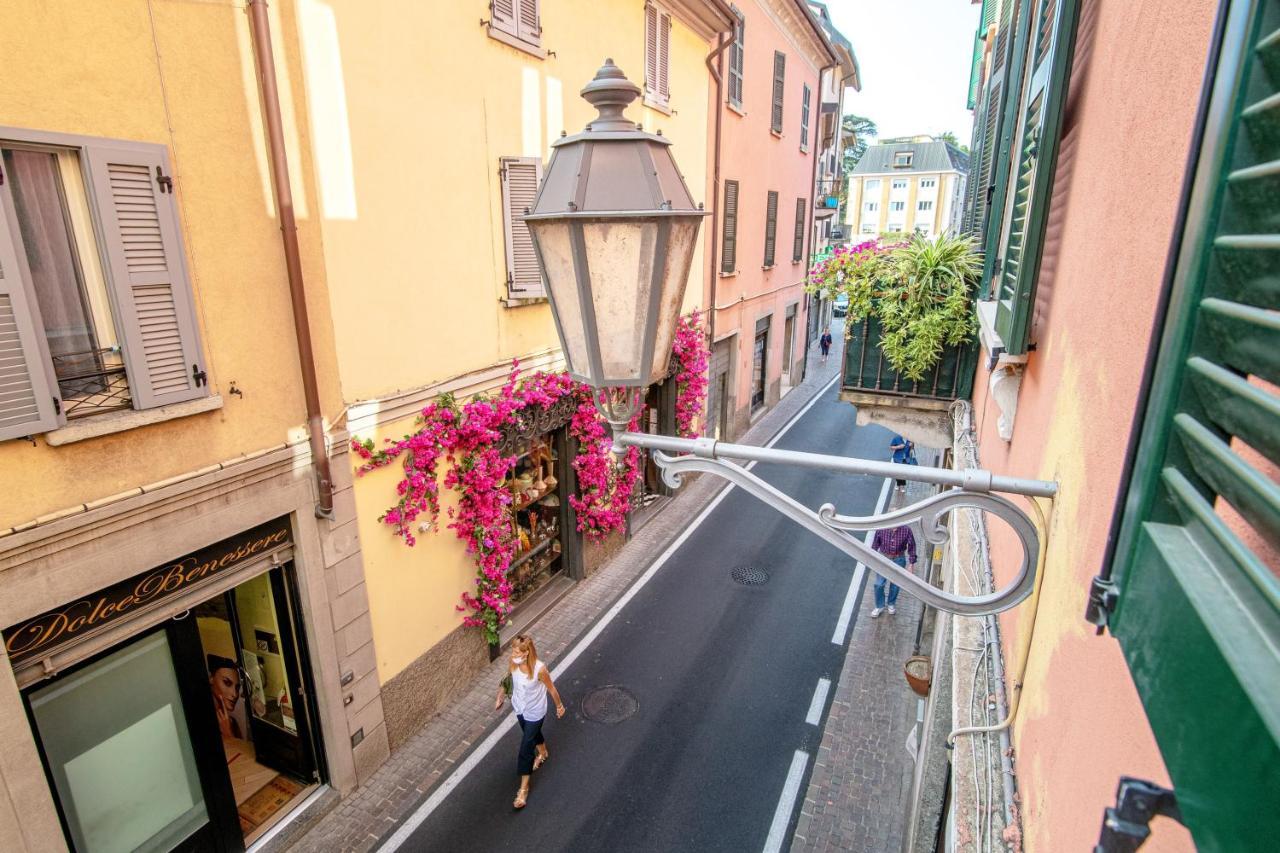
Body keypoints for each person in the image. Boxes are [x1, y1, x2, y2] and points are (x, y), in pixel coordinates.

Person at [494, 634, 566, 809]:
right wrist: (500, 697)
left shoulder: (539, 670)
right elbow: (507, 680)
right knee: (531, 734)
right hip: (519, 708)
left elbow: (551, 688)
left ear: (527, 653)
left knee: (526, 748)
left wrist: (559, 705)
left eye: (517, 652)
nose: (513, 654)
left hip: (535, 712)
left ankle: (523, 790)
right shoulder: (514, 664)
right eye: (513, 650)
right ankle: (543, 752)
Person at [870, 523, 917, 618]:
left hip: (899, 559)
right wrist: (872, 558)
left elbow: (912, 547)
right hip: (883, 558)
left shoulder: (906, 530)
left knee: (895, 584)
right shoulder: (882, 528)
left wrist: (911, 564)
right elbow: (875, 544)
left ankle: (891, 603)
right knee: (879, 584)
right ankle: (879, 606)